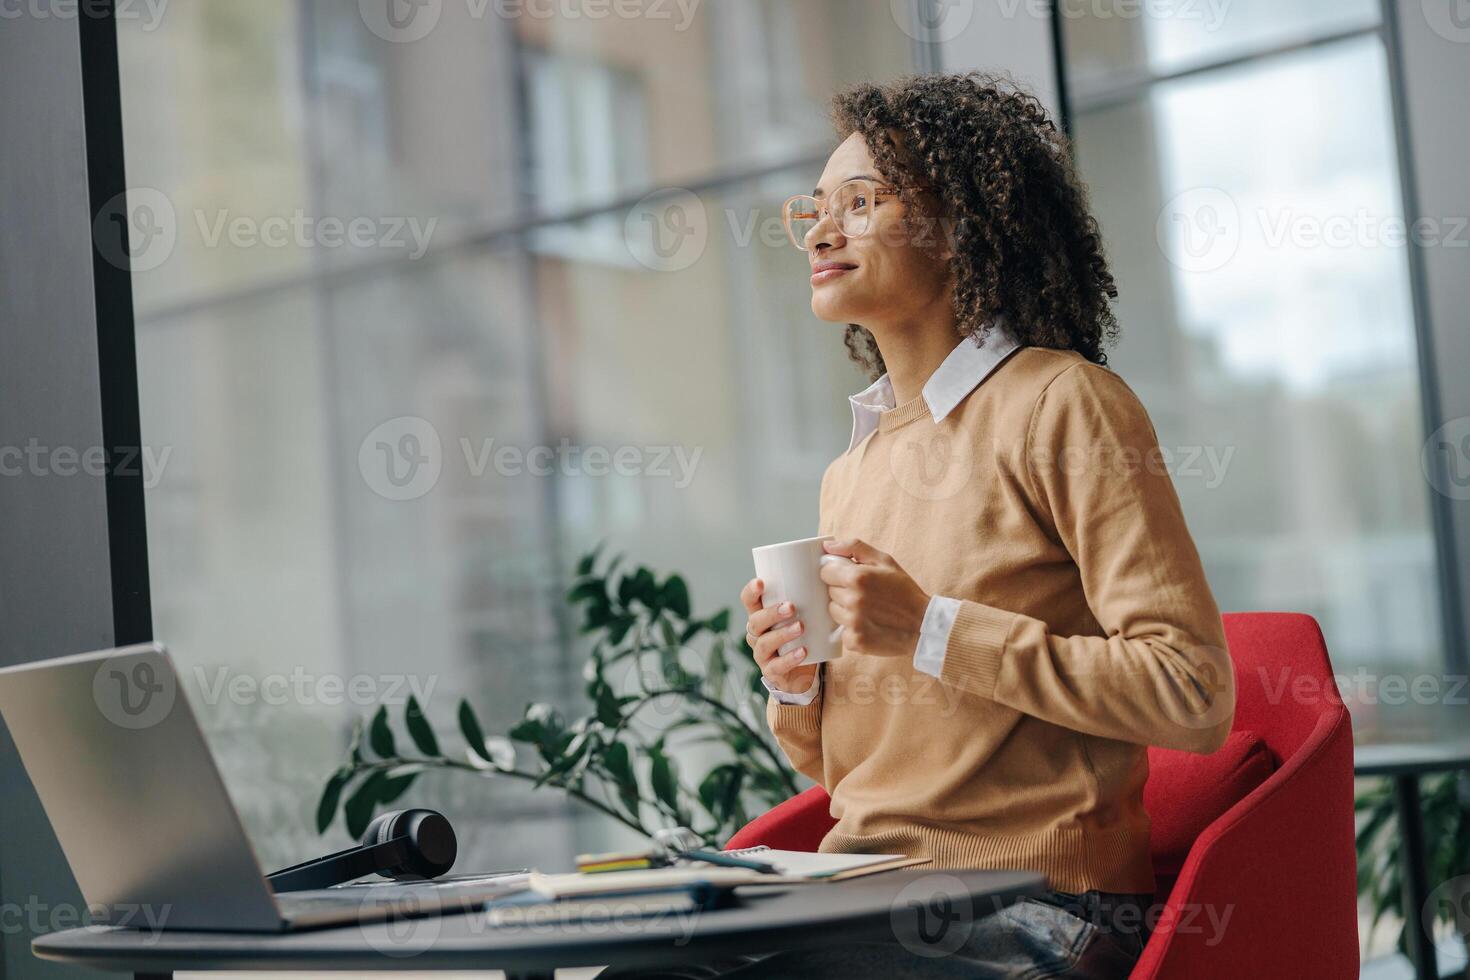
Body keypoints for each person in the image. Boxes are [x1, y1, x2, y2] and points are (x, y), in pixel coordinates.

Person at [604, 71, 1234, 979]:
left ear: (963, 223)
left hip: (1041, 909)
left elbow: (1192, 694)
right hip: (863, 891)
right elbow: (856, 768)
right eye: (813, 211)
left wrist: (930, 627)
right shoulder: (851, 468)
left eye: (861, 202)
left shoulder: (1066, 405)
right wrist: (795, 684)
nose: (821, 231)